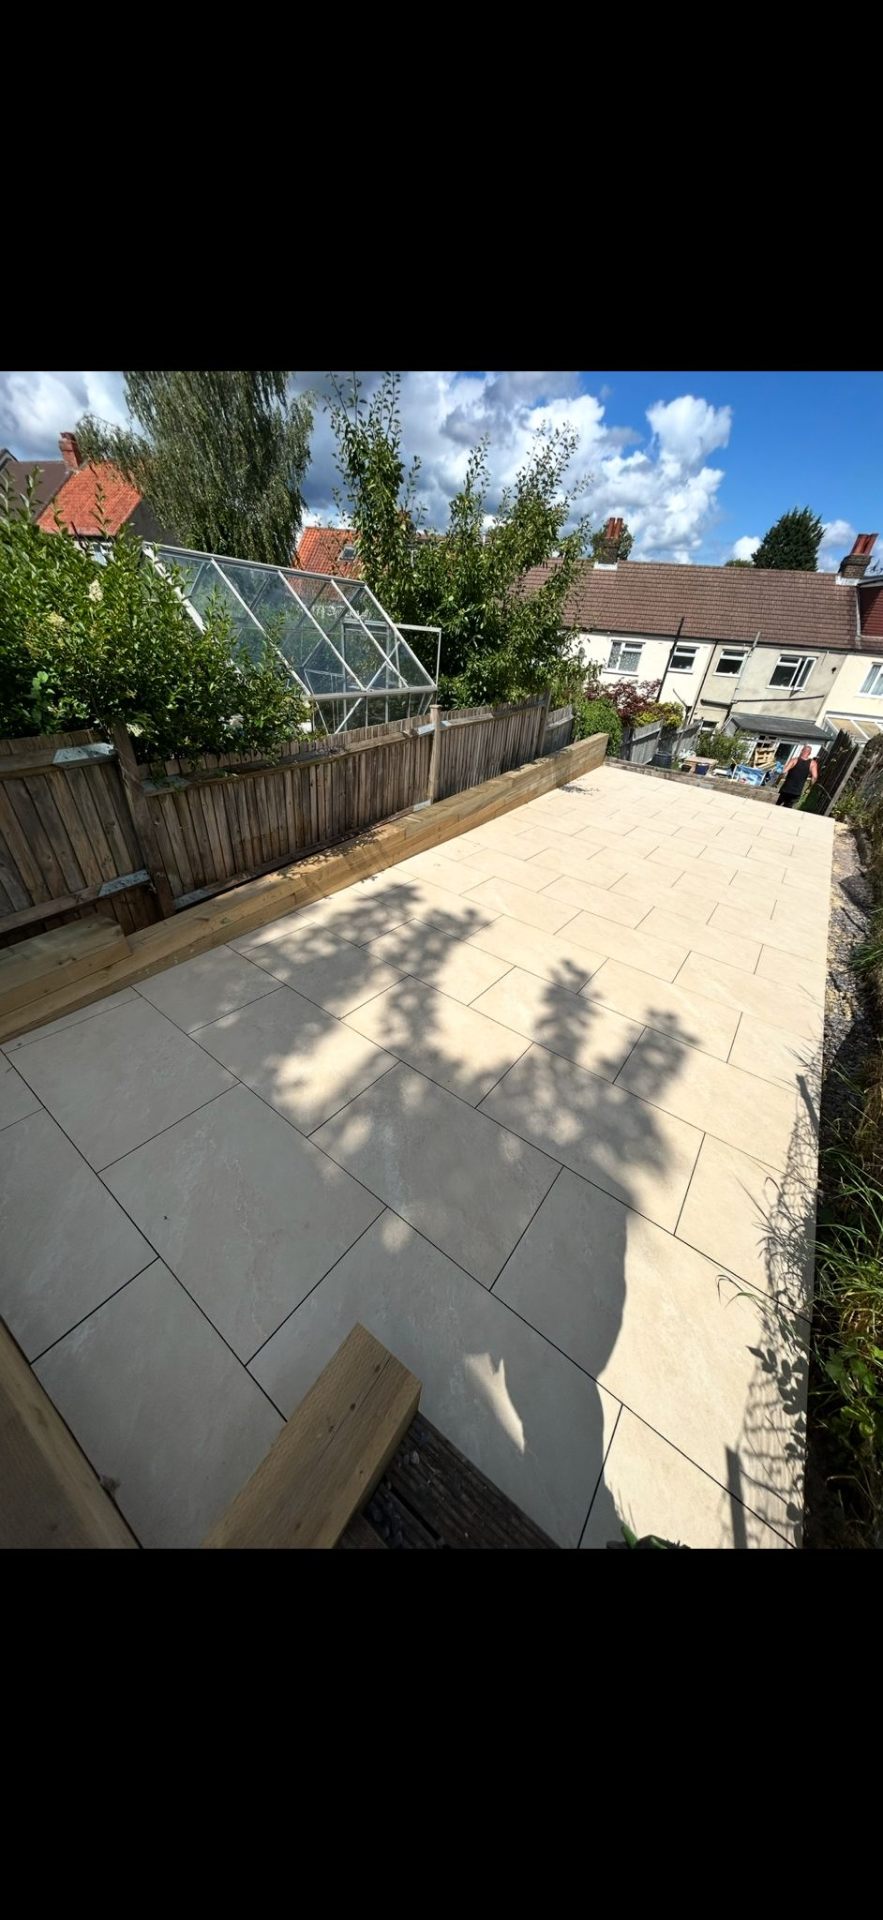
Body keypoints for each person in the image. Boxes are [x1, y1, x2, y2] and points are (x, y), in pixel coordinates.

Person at [776, 743, 818, 808]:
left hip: (786, 789)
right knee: (787, 808)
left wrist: (777, 782)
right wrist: (809, 787)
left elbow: (783, 772)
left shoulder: (794, 760)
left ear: (801, 751)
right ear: (809, 753)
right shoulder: (813, 763)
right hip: (797, 791)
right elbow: (814, 777)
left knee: (777, 805)